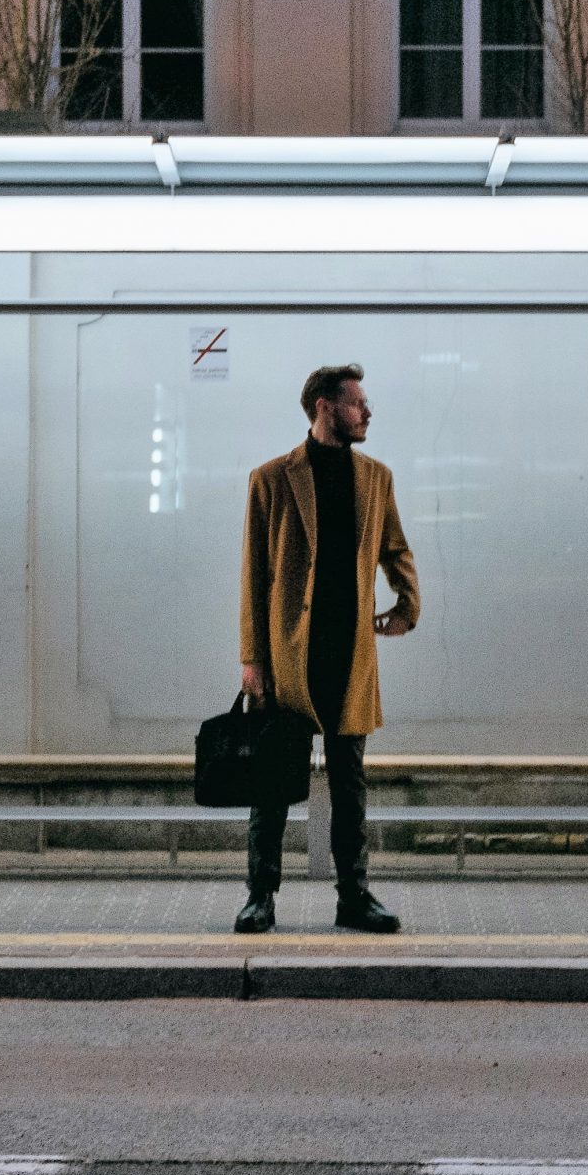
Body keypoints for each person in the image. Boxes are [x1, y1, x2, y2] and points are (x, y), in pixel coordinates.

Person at [234, 363, 421, 935]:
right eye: (358, 403)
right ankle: (260, 896)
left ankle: (354, 896)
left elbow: (396, 549)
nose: (368, 413)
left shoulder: (376, 478)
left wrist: (406, 605)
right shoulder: (271, 479)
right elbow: (254, 572)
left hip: (350, 652)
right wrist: (252, 657)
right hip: (290, 652)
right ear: (324, 407)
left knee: (350, 784)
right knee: (273, 784)